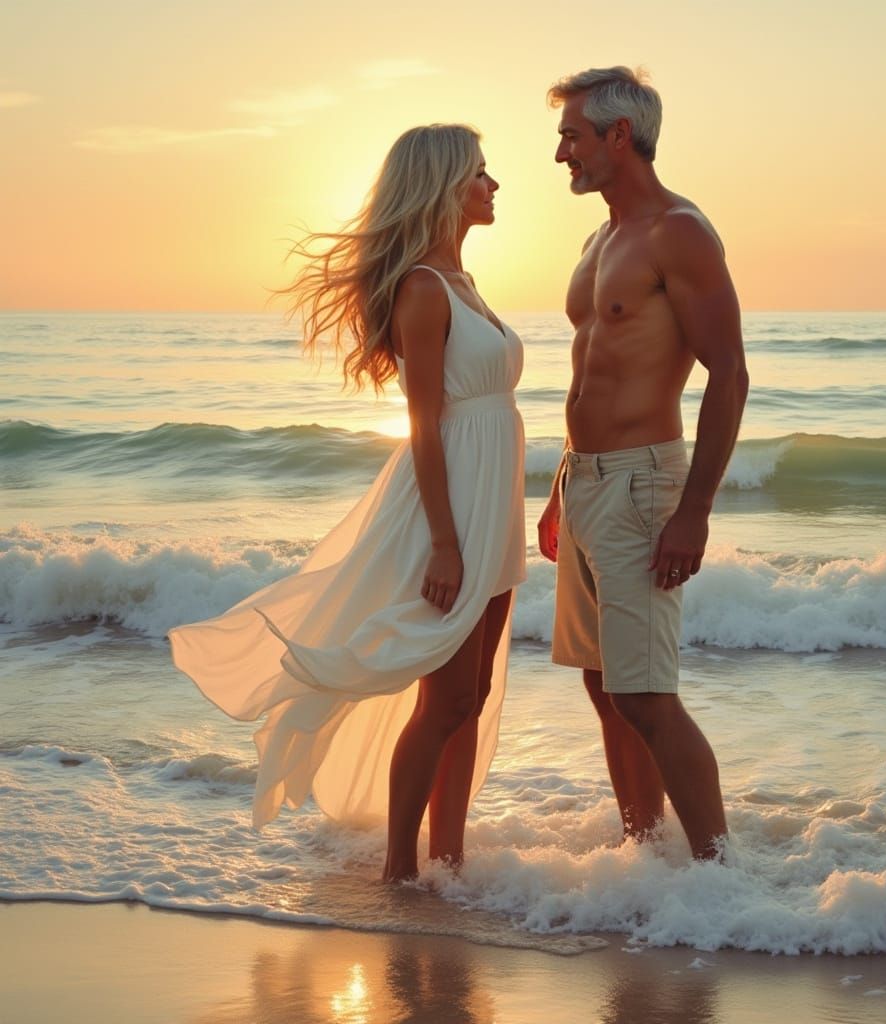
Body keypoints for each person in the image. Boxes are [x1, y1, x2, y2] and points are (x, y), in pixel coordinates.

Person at [169, 124, 526, 881]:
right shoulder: (425, 290)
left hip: (494, 507)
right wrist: (445, 541)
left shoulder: (463, 283)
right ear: (442, 187)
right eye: (480, 175)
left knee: (474, 693)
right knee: (446, 697)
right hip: (454, 508)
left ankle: (450, 860)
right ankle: (401, 870)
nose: (493, 187)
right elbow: (425, 423)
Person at [538, 67, 748, 861]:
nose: (562, 153)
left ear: (618, 136)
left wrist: (693, 510)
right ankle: (642, 852)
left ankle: (720, 880)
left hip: (642, 483)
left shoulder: (678, 232)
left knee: (646, 693)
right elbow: (589, 371)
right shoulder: (600, 240)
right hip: (588, 482)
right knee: (604, 685)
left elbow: (728, 372)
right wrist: (566, 483)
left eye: (572, 136)